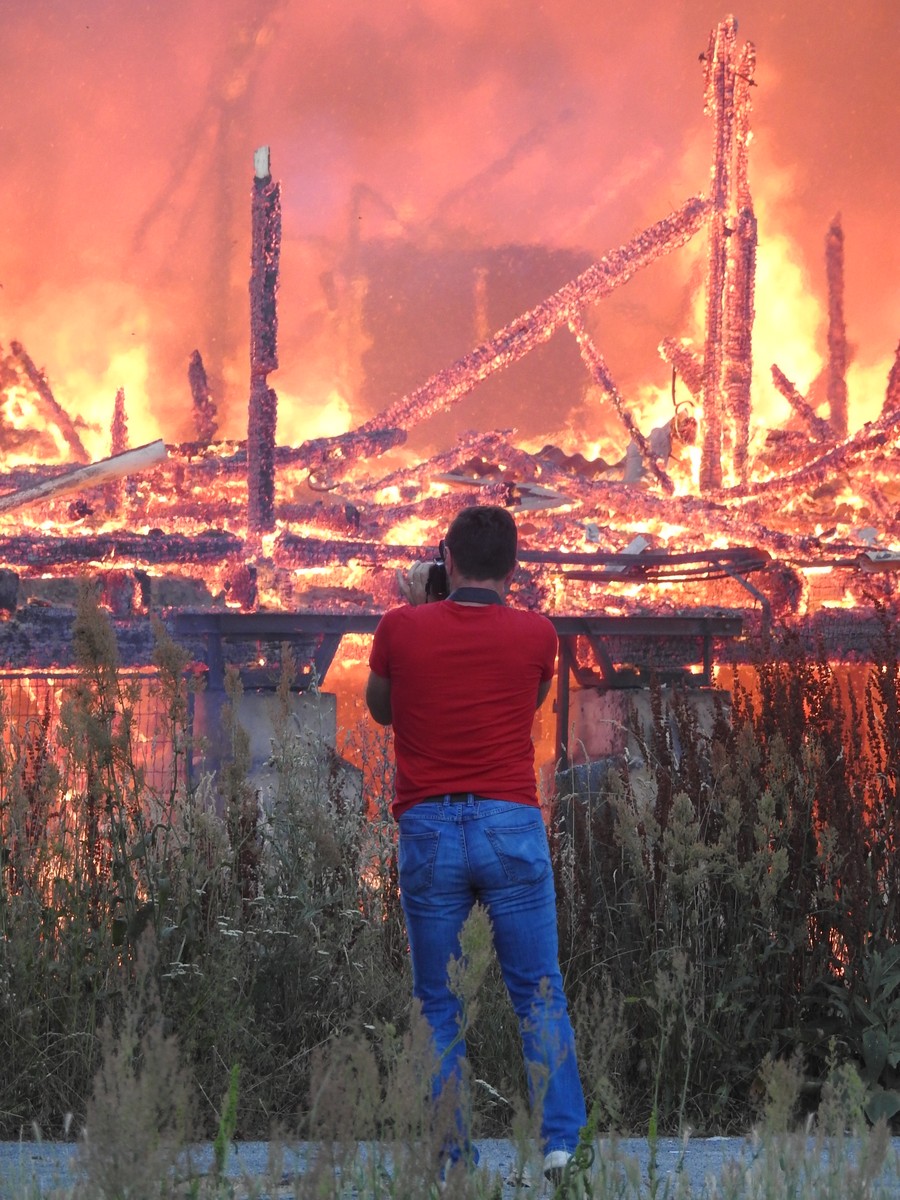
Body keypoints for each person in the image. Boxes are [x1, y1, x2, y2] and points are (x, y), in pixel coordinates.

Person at [365, 504, 587, 1184]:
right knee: (539, 992)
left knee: (439, 1000)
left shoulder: (399, 627)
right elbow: (529, 699)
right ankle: (560, 1148)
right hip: (510, 824)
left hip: (430, 829)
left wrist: (420, 612)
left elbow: (382, 708)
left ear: (446, 557)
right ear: (513, 568)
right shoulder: (536, 635)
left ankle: (453, 1159)